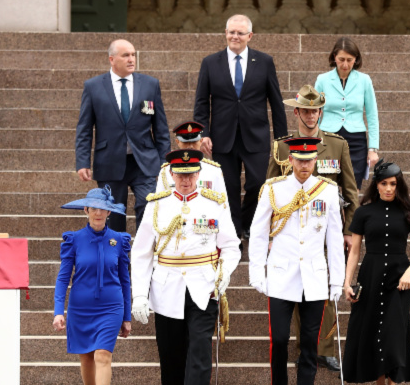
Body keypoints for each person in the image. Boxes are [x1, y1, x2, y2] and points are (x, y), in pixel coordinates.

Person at [130, 149, 241, 385]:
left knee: (200, 351)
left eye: (191, 174)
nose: (186, 180)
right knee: (171, 352)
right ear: (170, 175)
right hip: (167, 286)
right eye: (180, 175)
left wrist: (225, 272)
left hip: (203, 286)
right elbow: (141, 253)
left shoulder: (214, 204)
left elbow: (231, 246)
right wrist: (139, 294)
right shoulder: (156, 205)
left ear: (198, 174)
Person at [249, 138, 345, 385]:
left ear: (316, 160)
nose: (305, 166)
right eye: (299, 160)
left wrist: (337, 280)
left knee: (309, 346)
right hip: (280, 274)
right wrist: (257, 271)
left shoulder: (327, 191)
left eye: (309, 160)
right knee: (279, 338)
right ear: (289, 160)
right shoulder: (274, 189)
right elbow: (258, 232)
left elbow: (334, 238)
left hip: (314, 278)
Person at [267, 84, 358, 372]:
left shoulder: (336, 144)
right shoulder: (282, 146)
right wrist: (271, 232)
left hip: (325, 227)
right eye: (306, 110)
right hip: (292, 229)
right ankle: (303, 346)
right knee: (294, 289)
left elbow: (350, 190)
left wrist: (349, 230)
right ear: (297, 112)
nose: (311, 115)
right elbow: (269, 191)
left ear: (321, 111)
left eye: (315, 110)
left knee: (327, 286)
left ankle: (325, 348)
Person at [342, 160, 410, 385]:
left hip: (400, 280)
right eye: (384, 184)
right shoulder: (363, 213)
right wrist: (347, 282)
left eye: (393, 184)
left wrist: (408, 273)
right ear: (376, 185)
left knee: (392, 334)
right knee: (375, 337)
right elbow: (355, 251)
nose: (389, 188)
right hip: (372, 275)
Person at [193, 14, 288, 238]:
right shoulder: (210, 62)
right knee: (228, 188)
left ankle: (247, 222)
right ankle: (234, 233)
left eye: (240, 33)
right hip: (222, 137)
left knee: (257, 184)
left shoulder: (264, 61)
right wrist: (203, 133)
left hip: (256, 136)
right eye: (231, 32)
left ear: (250, 36)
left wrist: (281, 140)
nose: (235, 36)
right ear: (225, 34)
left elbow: (276, 102)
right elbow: (201, 102)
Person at [52, 186, 132, 385]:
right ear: (86, 210)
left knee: (102, 355)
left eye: (103, 209)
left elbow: (126, 279)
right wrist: (58, 310)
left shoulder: (119, 239)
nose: (98, 213)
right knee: (86, 357)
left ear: (109, 212)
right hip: (81, 307)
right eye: (94, 208)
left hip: (111, 305)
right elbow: (63, 278)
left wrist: (126, 316)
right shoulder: (74, 240)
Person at [75, 39, 170, 233]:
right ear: (112, 59)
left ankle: (143, 256)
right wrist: (82, 161)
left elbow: (161, 128)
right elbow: (84, 128)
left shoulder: (150, 85)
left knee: (148, 204)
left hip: (144, 161)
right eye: (125, 55)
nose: (131, 59)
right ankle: (119, 261)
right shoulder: (93, 87)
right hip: (110, 161)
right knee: (114, 215)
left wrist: (164, 162)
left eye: (133, 54)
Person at [315, 37, 380, 190]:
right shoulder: (323, 80)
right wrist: (312, 140)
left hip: (356, 141)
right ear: (334, 58)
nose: (345, 64)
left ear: (356, 59)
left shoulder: (364, 80)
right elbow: (315, 112)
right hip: (328, 138)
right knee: (328, 185)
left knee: (352, 187)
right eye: (341, 59)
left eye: (349, 60)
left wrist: (373, 149)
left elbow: (372, 115)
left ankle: (350, 215)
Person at [155, 121, 228, 208]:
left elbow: (222, 202)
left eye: (194, 142)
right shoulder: (165, 171)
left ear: (201, 141)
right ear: (177, 142)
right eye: (185, 142)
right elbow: (159, 203)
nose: (190, 146)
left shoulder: (214, 170)